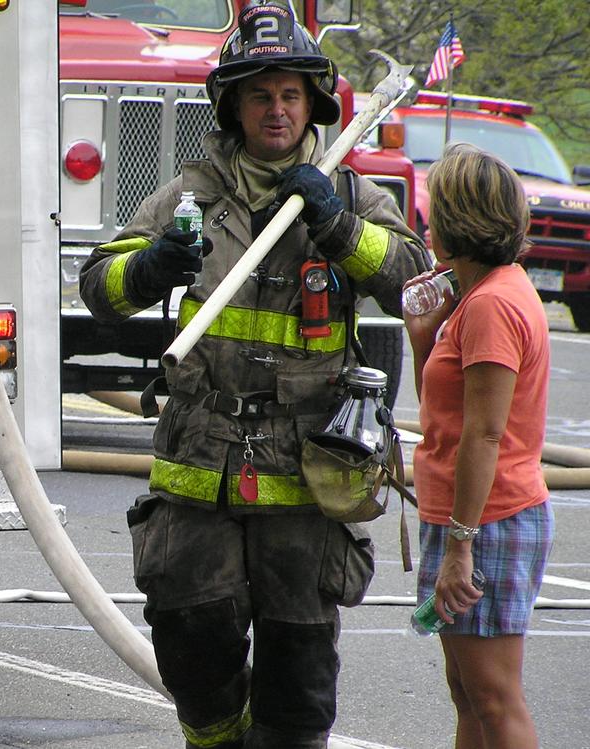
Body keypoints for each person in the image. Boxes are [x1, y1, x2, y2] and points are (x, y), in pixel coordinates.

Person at [80, 3, 430, 747]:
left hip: (308, 476)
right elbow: (97, 288)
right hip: (199, 465)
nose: (276, 109)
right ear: (233, 105)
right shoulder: (190, 196)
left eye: (290, 95)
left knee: (299, 684)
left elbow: (416, 288)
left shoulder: (351, 192)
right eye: (260, 94)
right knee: (192, 645)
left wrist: (339, 227)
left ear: (313, 104)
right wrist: (145, 268)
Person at [403, 142, 555, 749]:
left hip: (487, 519)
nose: (428, 222)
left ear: (462, 220)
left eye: (436, 210)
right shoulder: (480, 296)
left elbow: (485, 432)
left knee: (494, 699)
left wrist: (461, 546)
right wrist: (423, 338)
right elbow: (447, 411)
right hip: (467, 514)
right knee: (468, 695)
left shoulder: (492, 304)